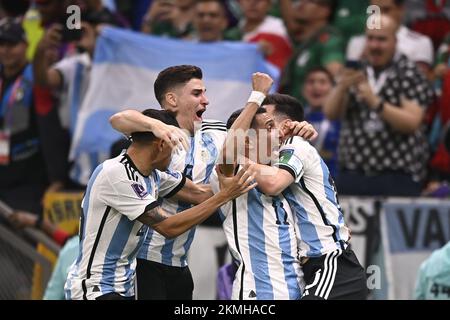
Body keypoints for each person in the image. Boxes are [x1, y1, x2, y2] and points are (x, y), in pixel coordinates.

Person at [110, 65, 318, 299]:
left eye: (204, 93)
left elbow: (255, 137)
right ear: (171, 99)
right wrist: (156, 126)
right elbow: (118, 119)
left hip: (179, 263)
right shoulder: (154, 136)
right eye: (197, 93)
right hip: (143, 261)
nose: (206, 101)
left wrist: (297, 129)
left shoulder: (216, 134)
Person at [64, 109, 256, 300]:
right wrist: (224, 196)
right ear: (162, 144)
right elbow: (168, 226)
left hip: (123, 287)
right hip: (95, 290)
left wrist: (239, 177)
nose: (175, 156)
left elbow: (197, 192)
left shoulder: (153, 175)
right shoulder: (117, 174)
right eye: (175, 147)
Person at [229, 73, 367, 299]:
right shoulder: (278, 155)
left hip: (330, 263)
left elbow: (273, 184)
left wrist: (234, 158)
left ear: (285, 125)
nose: (258, 125)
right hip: (314, 267)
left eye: (267, 121)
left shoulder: (296, 146)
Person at [209, 73, 316, 300]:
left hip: (296, 289)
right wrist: (257, 96)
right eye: (269, 127)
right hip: (258, 292)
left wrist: (301, 131)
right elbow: (229, 154)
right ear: (246, 141)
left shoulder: (282, 174)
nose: (277, 133)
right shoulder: (232, 171)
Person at [324, 15, 434, 196]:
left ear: (395, 41)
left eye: (381, 39)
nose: (374, 45)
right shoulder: (356, 70)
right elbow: (331, 113)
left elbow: (412, 122)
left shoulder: (409, 72)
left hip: (396, 175)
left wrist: (374, 101)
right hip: (352, 174)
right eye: (370, 39)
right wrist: (342, 86)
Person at [0, 17, 48, 215]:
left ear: (26, 45)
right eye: (1, 44)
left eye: (11, 44)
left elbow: (48, 129)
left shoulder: (35, 78)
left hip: (28, 178)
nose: (5, 50)